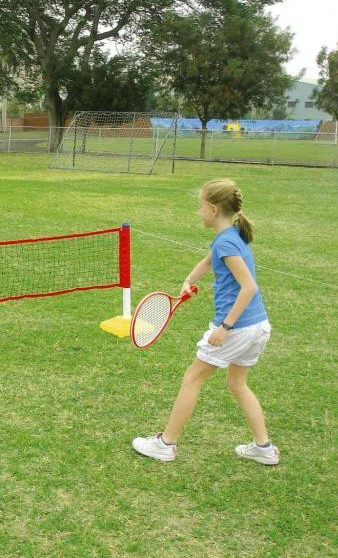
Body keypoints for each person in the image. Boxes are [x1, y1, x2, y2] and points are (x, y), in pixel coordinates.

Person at [132, 178, 278, 465]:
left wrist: (225, 327)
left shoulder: (226, 241)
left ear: (213, 209)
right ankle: (264, 449)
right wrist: (189, 280)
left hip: (237, 327)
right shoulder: (231, 234)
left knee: (192, 378)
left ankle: (165, 444)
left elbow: (249, 287)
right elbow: (210, 260)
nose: (198, 212)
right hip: (258, 325)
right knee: (237, 383)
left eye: (200, 207)